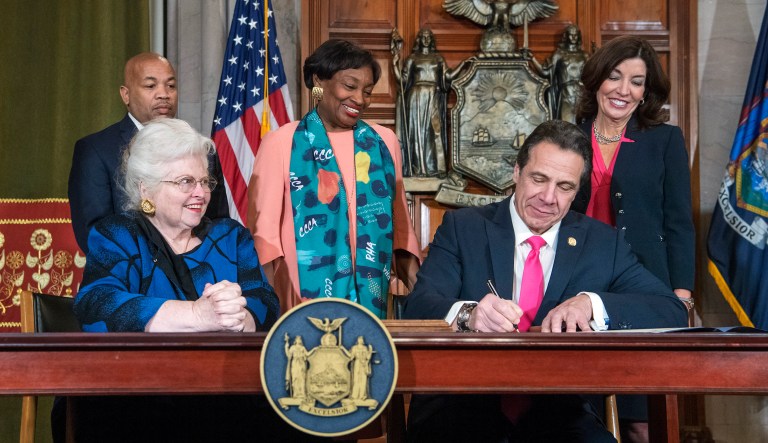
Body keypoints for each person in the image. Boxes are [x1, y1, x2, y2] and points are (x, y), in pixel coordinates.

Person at [402, 119, 688, 443]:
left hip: (561, 414)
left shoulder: (602, 244)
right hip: (461, 406)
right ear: (516, 172)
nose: (548, 197)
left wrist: (592, 304)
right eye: (539, 179)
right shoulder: (462, 228)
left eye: (565, 187)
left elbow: (670, 310)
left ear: (577, 191)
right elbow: (417, 308)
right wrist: (469, 315)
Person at [70, 118, 308, 442]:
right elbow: (97, 303)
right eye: (185, 182)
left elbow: (264, 300)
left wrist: (241, 317)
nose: (201, 193)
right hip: (139, 392)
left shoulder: (231, 237)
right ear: (146, 188)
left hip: (228, 387)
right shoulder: (117, 235)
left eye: (205, 181)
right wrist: (197, 315)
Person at [572, 35, 695, 442]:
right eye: (615, 76)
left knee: (642, 418)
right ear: (596, 81)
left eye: (637, 82)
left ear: (646, 93)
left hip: (645, 284)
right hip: (575, 283)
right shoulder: (567, 137)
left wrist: (681, 292)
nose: (624, 90)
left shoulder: (665, 140)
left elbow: (679, 222)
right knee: (575, 411)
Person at [248, 39, 421, 319]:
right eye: (350, 86)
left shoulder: (384, 142)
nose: (360, 99)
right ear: (319, 81)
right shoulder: (281, 142)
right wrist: (262, 314)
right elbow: (264, 238)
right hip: (299, 300)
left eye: (367, 91)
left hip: (372, 299)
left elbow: (400, 230)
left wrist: (425, 300)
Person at [68, 52, 228, 253]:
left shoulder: (201, 148)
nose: (164, 94)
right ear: (126, 94)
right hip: (131, 277)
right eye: (151, 86)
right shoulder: (96, 150)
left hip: (198, 275)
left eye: (171, 86)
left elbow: (219, 224)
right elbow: (95, 235)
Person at [392, 28, 455, 177]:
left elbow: (448, 77)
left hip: (433, 96)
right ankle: (417, 169)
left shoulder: (438, 58)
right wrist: (394, 64)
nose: (426, 39)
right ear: (419, 40)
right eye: (423, 37)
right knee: (417, 132)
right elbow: (402, 81)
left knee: (435, 130)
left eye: (429, 37)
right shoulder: (412, 58)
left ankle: (438, 169)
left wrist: (464, 65)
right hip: (416, 97)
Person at [536, 25, 589, 123]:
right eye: (571, 35)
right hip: (565, 92)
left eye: (575, 35)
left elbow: (592, 74)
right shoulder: (559, 54)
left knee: (583, 124)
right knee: (565, 123)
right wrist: (532, 59)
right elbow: (546, 72)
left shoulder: (585, 55)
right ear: (566, 36)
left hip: (581, 93)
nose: (573, 38)